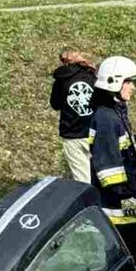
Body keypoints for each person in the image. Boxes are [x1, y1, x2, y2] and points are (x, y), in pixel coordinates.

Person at [88, 55, 136, 267]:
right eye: (129, 82)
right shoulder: (106, 118)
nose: (133, 87)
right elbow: (107, 167)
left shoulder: (115, 114)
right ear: (115, 82)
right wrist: (125, 197)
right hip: (122, 210)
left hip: (131, 206)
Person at [49, 49, 97, 183]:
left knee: (82, 179)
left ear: (63, 61)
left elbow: (55, 104)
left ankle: (88, 203)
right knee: (102, 175)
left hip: (71, 134)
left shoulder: (60, 81)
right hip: (94, 132)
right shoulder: (91, 75)